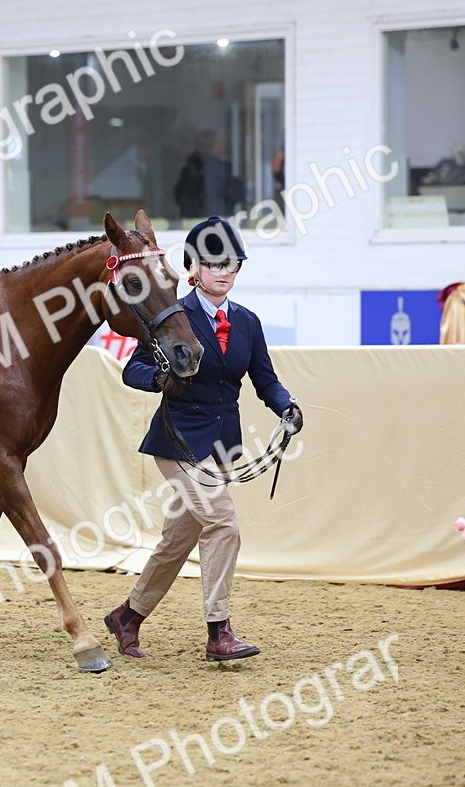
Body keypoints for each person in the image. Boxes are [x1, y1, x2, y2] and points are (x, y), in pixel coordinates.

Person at [104, 216, 303, 661]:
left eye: (231, 264)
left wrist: (286, 406)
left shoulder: (247, 322)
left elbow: (265, 381)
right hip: (178, 441)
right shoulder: (173, 314)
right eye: (213, 263)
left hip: (222, 447)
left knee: (177, 540)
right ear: (193, 268)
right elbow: (133, 369)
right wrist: (161, 379)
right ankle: (219, 631)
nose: (223, 271)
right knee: (223, 522)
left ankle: (127, 616)